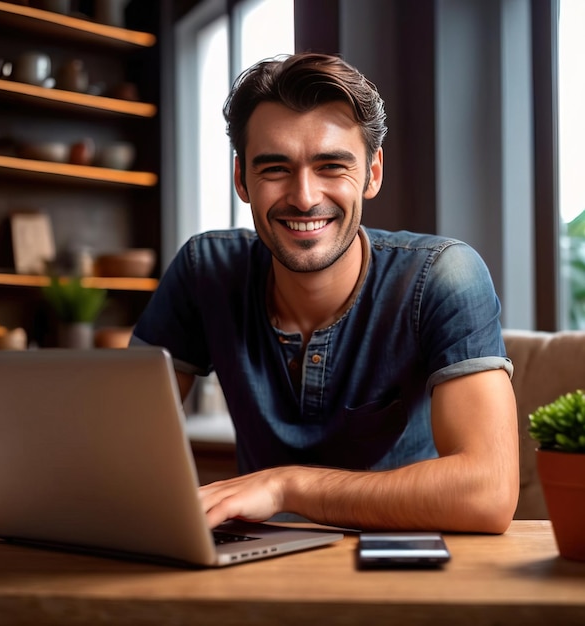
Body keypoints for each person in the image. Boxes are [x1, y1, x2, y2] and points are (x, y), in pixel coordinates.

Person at [130, 52, 520, 533]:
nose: (305, 196)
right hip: (253, 570)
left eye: (331, 166)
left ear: (372, 174)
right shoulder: (204, 270)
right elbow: (120, 445)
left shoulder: (444, 274)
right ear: (241, 179)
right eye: (275, 168)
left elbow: (489, 493)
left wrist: (285, 487)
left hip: (398, 560)